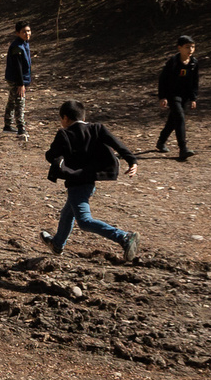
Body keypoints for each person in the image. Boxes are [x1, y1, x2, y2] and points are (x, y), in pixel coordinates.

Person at [39, 101, 141, 262]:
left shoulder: (64, 134)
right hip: (90, 180)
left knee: (85, 221)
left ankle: (123, 237)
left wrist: (57, 159)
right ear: (83, 116)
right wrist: (132, 160)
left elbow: (51, 156)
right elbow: (117, 143)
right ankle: (57, 243)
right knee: (68, 212)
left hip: (76, 183)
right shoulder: (96, 128)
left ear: (65, 118)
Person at [155, 36, 201, 159]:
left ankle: (161, 142)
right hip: (172, 95)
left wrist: (193, 98)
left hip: (185, 96)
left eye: (192, 47)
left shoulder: (193, 62)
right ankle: (183, 149)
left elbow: (194, 82)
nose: (190, 49)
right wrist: (162, 97)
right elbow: (163, 80)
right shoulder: (173, 62)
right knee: (180, 117)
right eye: (187, 47)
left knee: (173, 120)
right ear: (179, 48)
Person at [3, 22, 34, 137]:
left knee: (12, 100)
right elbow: (18, 66)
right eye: (24, 32)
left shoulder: (24, 43)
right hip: (16, 79)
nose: (27, 33)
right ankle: (21, 128)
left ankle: (7, 125)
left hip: (19, 78)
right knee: (20, 102)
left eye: (28, 31)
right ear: (17, 33)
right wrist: (21, 84)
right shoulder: (17, 46)